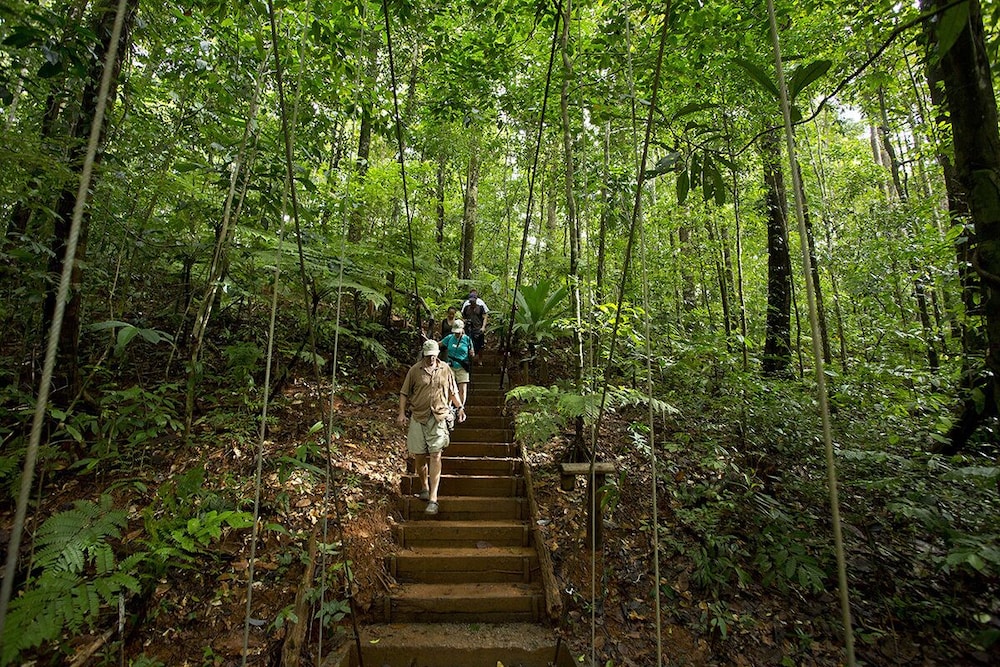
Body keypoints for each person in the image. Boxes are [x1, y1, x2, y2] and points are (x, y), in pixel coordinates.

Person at [397, 339, 465, 514]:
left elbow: (453, 391)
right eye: (428, 356)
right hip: (419, 417)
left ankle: (434, 498)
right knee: (419, 456)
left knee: (435, 455)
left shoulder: (446, 370)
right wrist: (401, 413)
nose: (431, 358)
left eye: (434, 355)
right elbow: (404, 393)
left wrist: (459, 408)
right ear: (423, 355)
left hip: (438, 417)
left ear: (438, 354)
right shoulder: (414, 371)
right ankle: (424, 486)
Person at [441, 319, 474, 405]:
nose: (457, 334)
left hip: (462, 367)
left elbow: (472, 352)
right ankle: (448, 407)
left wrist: (471, 353)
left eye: (458, 332)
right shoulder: (449, 338)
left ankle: (461, 408)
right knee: (449, 388)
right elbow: (439, 344)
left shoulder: (467, 339)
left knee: (462, 389)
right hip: (451, 366)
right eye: (455, 332)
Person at [460, 289, 489, 357]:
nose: (472, 302)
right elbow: (463, 317)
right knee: (468, 344)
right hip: (468, 329)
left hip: (478, 328)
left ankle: (480, 359)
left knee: (480, 345)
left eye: (473, 301)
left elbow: (485, 317)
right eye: (471, 301)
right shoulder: (466, 308)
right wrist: (464, 323)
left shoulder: (480, 308)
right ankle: (468, 359)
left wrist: (483, 327)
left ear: (476, 300)